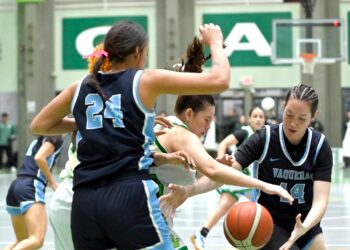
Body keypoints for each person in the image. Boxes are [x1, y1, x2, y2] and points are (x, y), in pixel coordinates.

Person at [30, 20, 233, 249]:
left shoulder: (81, 87)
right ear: (137, 53)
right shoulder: (142, 81)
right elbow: (220, 80)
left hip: (83, 200)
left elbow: (39, 125)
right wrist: (215, 42)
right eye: (146, 53)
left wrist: (87, 122)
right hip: (125, 196)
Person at [48, 43, 195, 250]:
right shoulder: (117, 105)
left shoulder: (88, 103)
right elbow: (121, 152)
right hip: (93, 195)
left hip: (73, 197)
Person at [161, 84, 333, 250]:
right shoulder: (263, 138)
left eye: (302, 118)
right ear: (283, 107)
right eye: (289, 114)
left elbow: (320, 201)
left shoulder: (319, 146)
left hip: (306, 222)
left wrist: (304, 227)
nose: (293, 123)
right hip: (270, 222)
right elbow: (223, 174)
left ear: (313, 116)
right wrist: (188, 190)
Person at [191, 106, 266, 249]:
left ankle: (264, 239)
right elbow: (225, 143)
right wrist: (219, 164)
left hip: (252, 181)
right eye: (255, 116)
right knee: (224, 206)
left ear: (265, 119)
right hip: (236, 178)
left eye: (261, 116)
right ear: (249, 119)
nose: (258, 119)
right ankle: (200, 236)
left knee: (262, 210)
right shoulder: (244, 132)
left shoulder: (266, 135)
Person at [5, 135, 64, 250]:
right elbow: (39, 157)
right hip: (30, 186)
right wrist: (52, 182)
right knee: (36, 240)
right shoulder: (55, 138)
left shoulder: (39, 139)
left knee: (22, 241)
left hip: (16, 185)